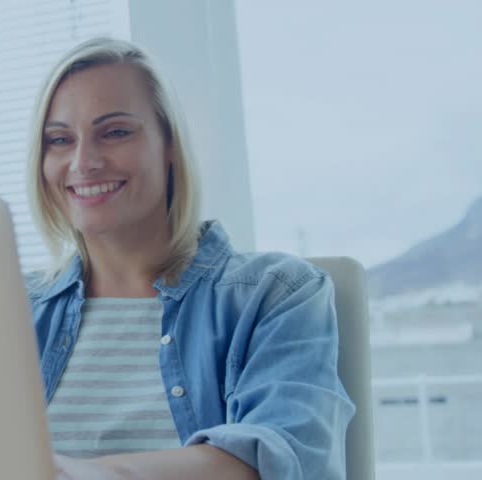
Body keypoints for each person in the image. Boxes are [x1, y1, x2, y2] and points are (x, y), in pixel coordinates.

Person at [24, 37, 355, 480]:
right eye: (60, 140)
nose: (83, 162)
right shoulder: (9, 310)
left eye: (116, 132)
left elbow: (280, 459)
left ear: (170, 144)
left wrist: (83, 474)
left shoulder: (278, 293)